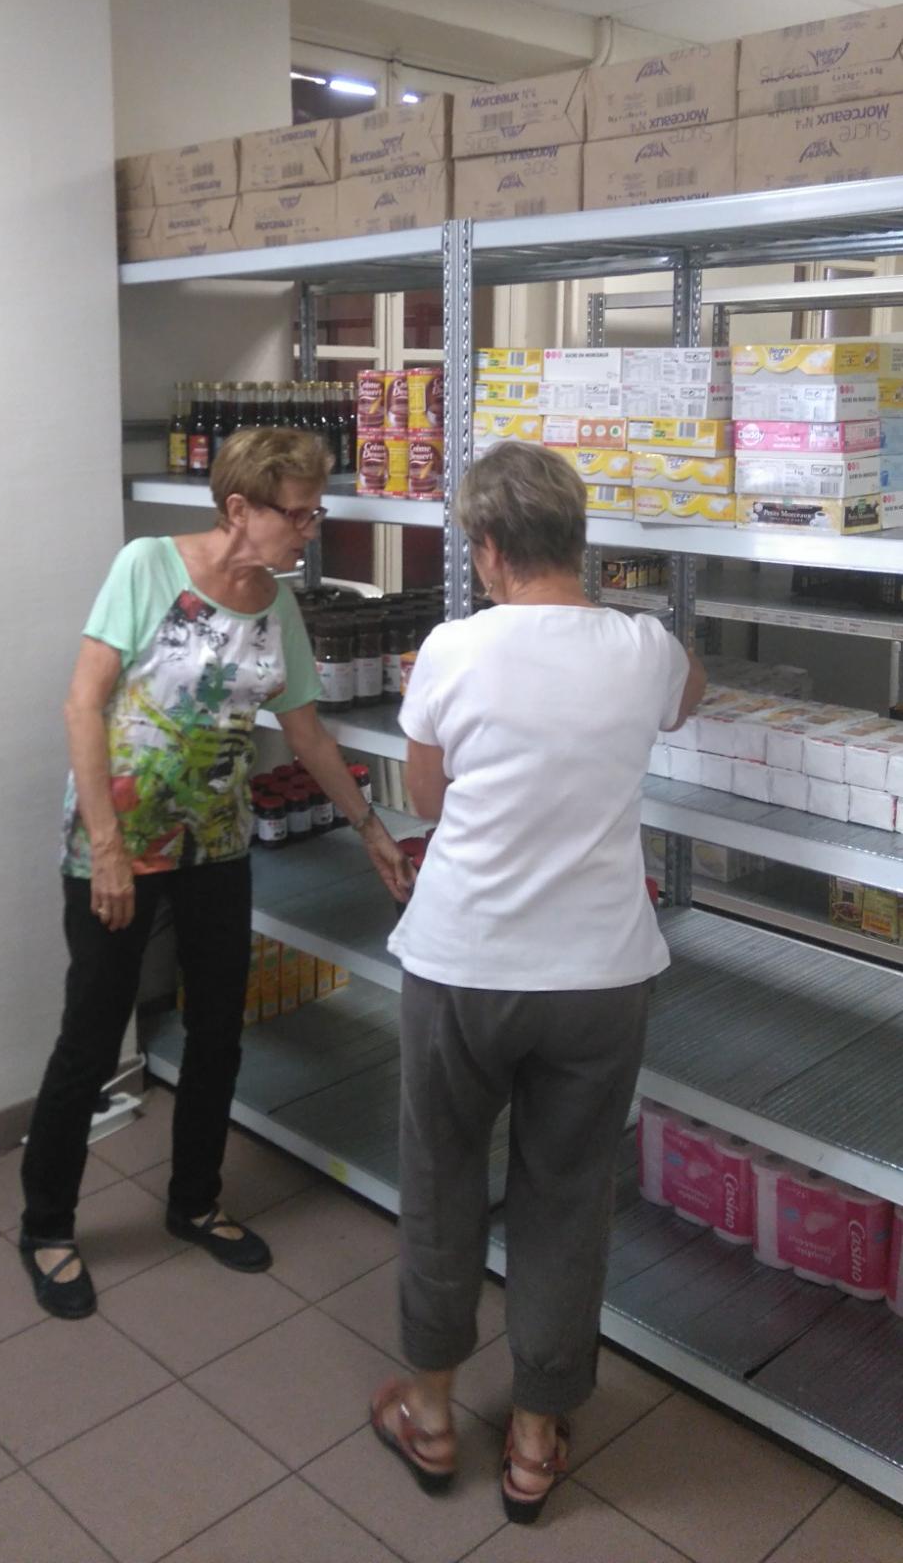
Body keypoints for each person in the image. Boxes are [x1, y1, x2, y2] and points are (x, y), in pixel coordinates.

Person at [368, 440, 705, 1522]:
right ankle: (530, 1432)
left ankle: (426, 1409)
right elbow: (688, 694)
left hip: (463, 962)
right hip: (599, 973)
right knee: (567, 1198)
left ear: (486, 548)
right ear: (575, 541)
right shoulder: (642, 647)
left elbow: (425, 792)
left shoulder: (451, 650)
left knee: (442, 1179)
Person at [20, 426, 414, 1319]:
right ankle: (47, 1223)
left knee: (217, 1033)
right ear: (240, 509)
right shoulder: (148, 567)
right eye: (299, 513)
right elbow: (82, 703)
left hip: (217, 847)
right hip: (116, 848)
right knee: (90, 1037)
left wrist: (369, 827)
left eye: (317, 511)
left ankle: (194, 1200)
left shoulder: (276, 603)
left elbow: (305, 728)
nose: (310, 528)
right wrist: (110, 846)